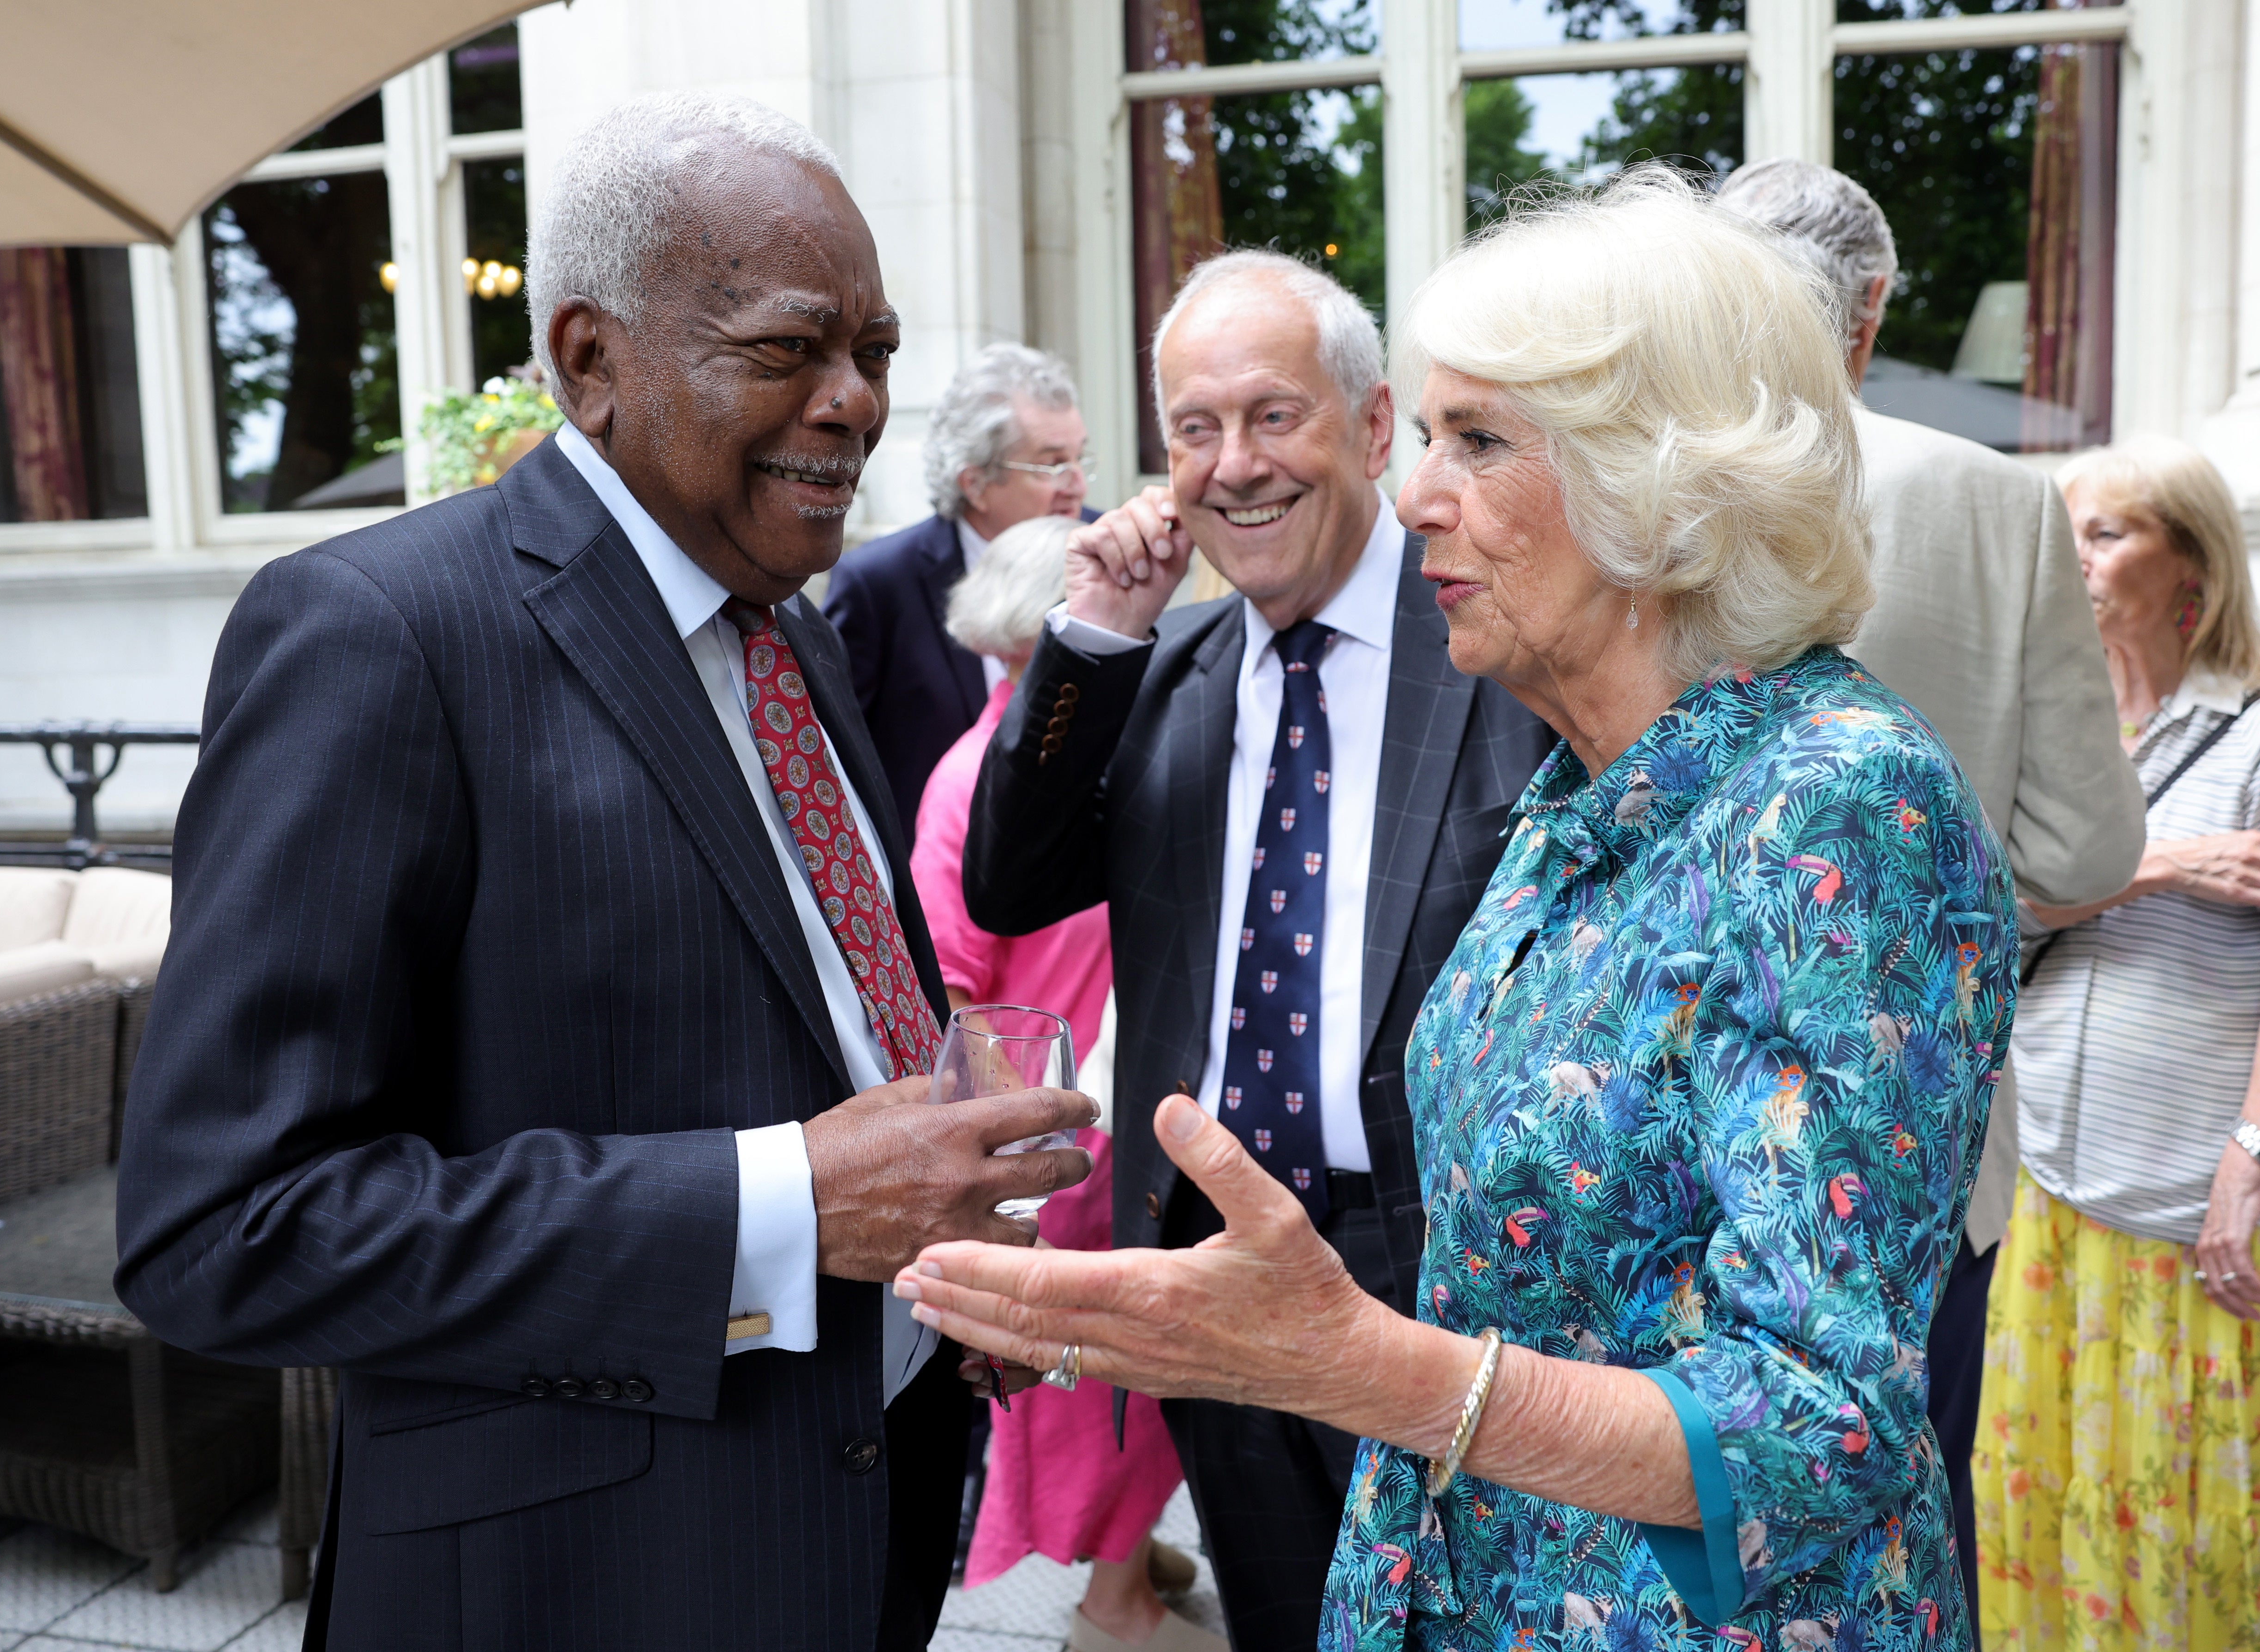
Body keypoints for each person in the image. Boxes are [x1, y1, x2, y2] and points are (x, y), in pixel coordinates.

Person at [906, 169, 2016, 1650]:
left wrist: (1357, 1362)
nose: (1416, 492)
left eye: (1474, 440)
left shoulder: (1836, 801)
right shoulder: (1586, 785)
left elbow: (1819, 1429)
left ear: (1662, 477)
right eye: (1430, 434)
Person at [112, 92, 1094, 1652]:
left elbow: (819, 1022)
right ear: (588, 359)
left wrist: (936, 1237)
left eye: (875, 354)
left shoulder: (789, 623)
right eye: (788, 351)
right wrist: (784, 1205)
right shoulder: (380, 638)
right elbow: (223, 1230)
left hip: (858, 1522)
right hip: (581, 1585)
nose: (852, 403)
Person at [962, 246, 1555, 1646]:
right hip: (1214, 1270)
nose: (1233, 464)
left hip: (1440, 1279)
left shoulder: (1492, 647)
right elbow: (1005, 880)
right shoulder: (1159, 677)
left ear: (1364, 428)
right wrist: (1090, 638)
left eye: (1272, 415)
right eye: (1192, 428)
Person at [1721, 157, 2145, 1632]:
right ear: (1873, 308)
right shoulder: (1992, 500)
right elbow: (2087, 851)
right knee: (1898, 1517)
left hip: (1660, 1117)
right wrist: (1923, 926)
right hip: (1915, 1120)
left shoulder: (1625, 492)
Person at [910, 512, 1220, 1652]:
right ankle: (1114, 1606)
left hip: (1117, 1116)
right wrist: (1021, 1169)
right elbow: (948, 994)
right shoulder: (971, 782)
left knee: (1135, 1370)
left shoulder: (1093, 759)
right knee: (1106, 1387)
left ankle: (1128, 1563)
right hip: (1062, 1141)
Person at [1973, 435, 2260, 1651]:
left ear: (2190, 568)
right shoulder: (2066, 738)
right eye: (2067, 534)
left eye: (2107, 533)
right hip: (2049, 1195)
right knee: (2038, 1511)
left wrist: (2252, 1150)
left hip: (2189, 1215)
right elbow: (1992, 907)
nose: (2076, 560)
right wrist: (2157, 865)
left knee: (2183, 1538)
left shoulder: (2248, 735)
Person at [826, 342, 1092, 841]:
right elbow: (839, 763)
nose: (1076, 485)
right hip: (935, 876)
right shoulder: (879, 584)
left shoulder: (1102, 552)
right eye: (1052, 464)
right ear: (975, 482)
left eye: (1080, 458)